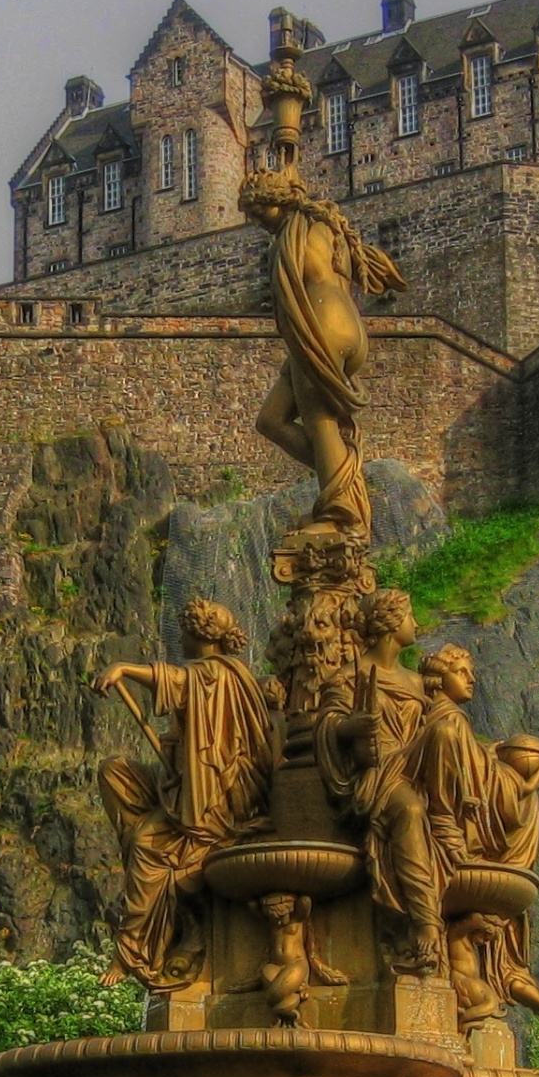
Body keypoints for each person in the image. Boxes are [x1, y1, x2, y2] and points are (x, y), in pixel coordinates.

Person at [96, 597, 273, 988]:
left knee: (146, 844)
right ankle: (160, 858)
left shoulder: (218, 673)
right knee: (115, 771)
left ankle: (132, 952)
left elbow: (177, 681)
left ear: (200, 635)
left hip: (215, 799)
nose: (180, 642)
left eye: (183, 634)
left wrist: (124, 667)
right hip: (184, 787)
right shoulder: (219, 674)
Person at [240, 169, 403, 541]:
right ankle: (345, 484)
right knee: (271, 420)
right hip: (349, 328)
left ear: (279, 201)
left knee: (321, 422)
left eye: (260, 212)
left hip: (320, 325)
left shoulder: (292, 235)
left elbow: (290, 288)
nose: (257, 222)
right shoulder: (329, 227)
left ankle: (342, 515)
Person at [407, 643, 539, 1011]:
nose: (471, 679)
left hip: (458, 816)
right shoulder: (448, 721)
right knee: (525, 810)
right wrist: (523, 786)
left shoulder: (447, 718)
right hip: (452, 825)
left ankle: (511, 971)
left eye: (471, 673)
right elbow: (465, 780)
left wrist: (489, 757)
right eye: (461, 672)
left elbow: (473, 771)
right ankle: (509, 971)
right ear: (440, 679)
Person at [316, 585, 443, 974]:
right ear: (390, 624)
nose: (416, 623)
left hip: (416, 768)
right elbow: (326, 726)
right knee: (410, 810)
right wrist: (350, 727)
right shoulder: (349, 678)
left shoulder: (417, 682)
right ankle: (425, 921)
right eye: (409, 615)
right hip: (378, 774)